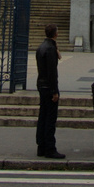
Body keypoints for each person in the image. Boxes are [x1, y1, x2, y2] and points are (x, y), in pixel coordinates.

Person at [36, 23, 65, 159]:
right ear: (56, 34)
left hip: (41, 84)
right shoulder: (50, 49)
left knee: (43, 116)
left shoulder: (41, 47)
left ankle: (41, 146)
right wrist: (54, 91)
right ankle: (50, 148)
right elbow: (52, 72)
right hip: (49, 86)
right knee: (50, 118)